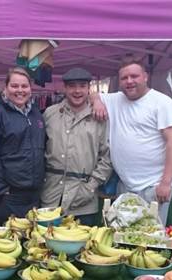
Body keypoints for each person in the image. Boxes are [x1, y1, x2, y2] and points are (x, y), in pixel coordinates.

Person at [91, 56, 172, 225]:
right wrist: (97, 101)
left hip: (153, 186)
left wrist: (166, 182)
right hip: (125, 186)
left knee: (151, 239)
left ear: (145, 77)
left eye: (134, 76)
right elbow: (92, 93)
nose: (129, 81)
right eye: (124, 78)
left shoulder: (161, 102)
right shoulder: (115, 99)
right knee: (125, 237)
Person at [0, 67, 46, 226]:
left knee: (31, 245)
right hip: (6, 198)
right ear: (5, 88)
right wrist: (1, 190)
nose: (20, 90)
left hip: (32, 197)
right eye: (14, 86)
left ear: (30, 88)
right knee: (5, 244)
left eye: (24, 86)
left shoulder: (36, 115)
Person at [40, 67, 112, 226]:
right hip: (51, 196)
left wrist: (91, 186)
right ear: (64, 88)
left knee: (80, 246)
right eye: (72, 86)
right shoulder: (50, 114)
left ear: (88, 88)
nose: (77, 91)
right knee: (45, 246)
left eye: (82, 85)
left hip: (83, 200)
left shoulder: (99, 117)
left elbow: (106, 157)